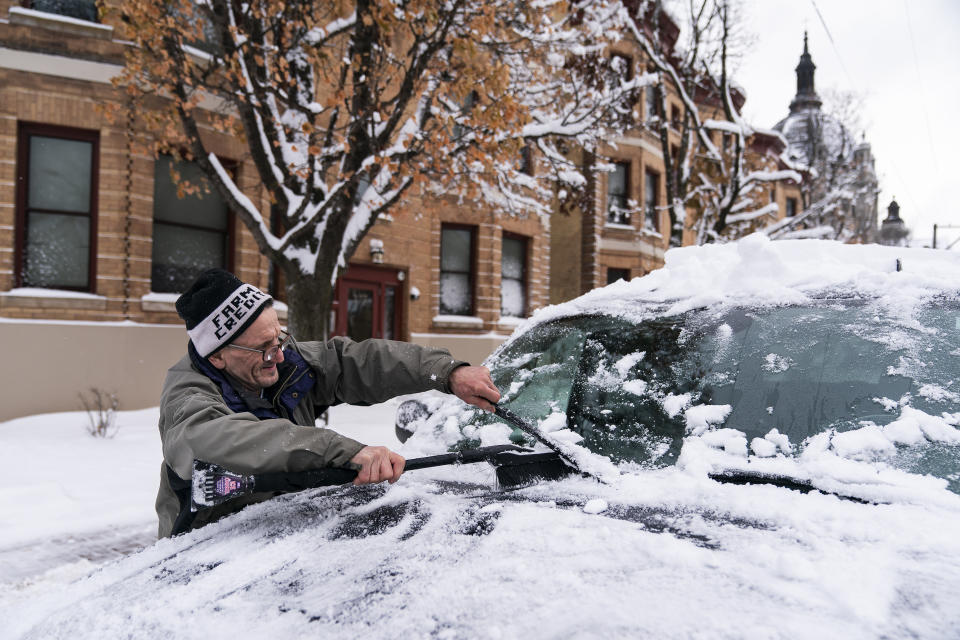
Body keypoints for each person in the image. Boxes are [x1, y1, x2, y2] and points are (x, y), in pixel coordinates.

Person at [155, 268, 500, 537]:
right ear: (217, 357)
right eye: (263, 348)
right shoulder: (188, 397)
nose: (277, 355)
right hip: (208, 556)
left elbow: (356, 362)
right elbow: (217, 441)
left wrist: (446, 373)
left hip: (284, 535)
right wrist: (342, 451)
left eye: (279, 338)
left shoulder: (285, 360)